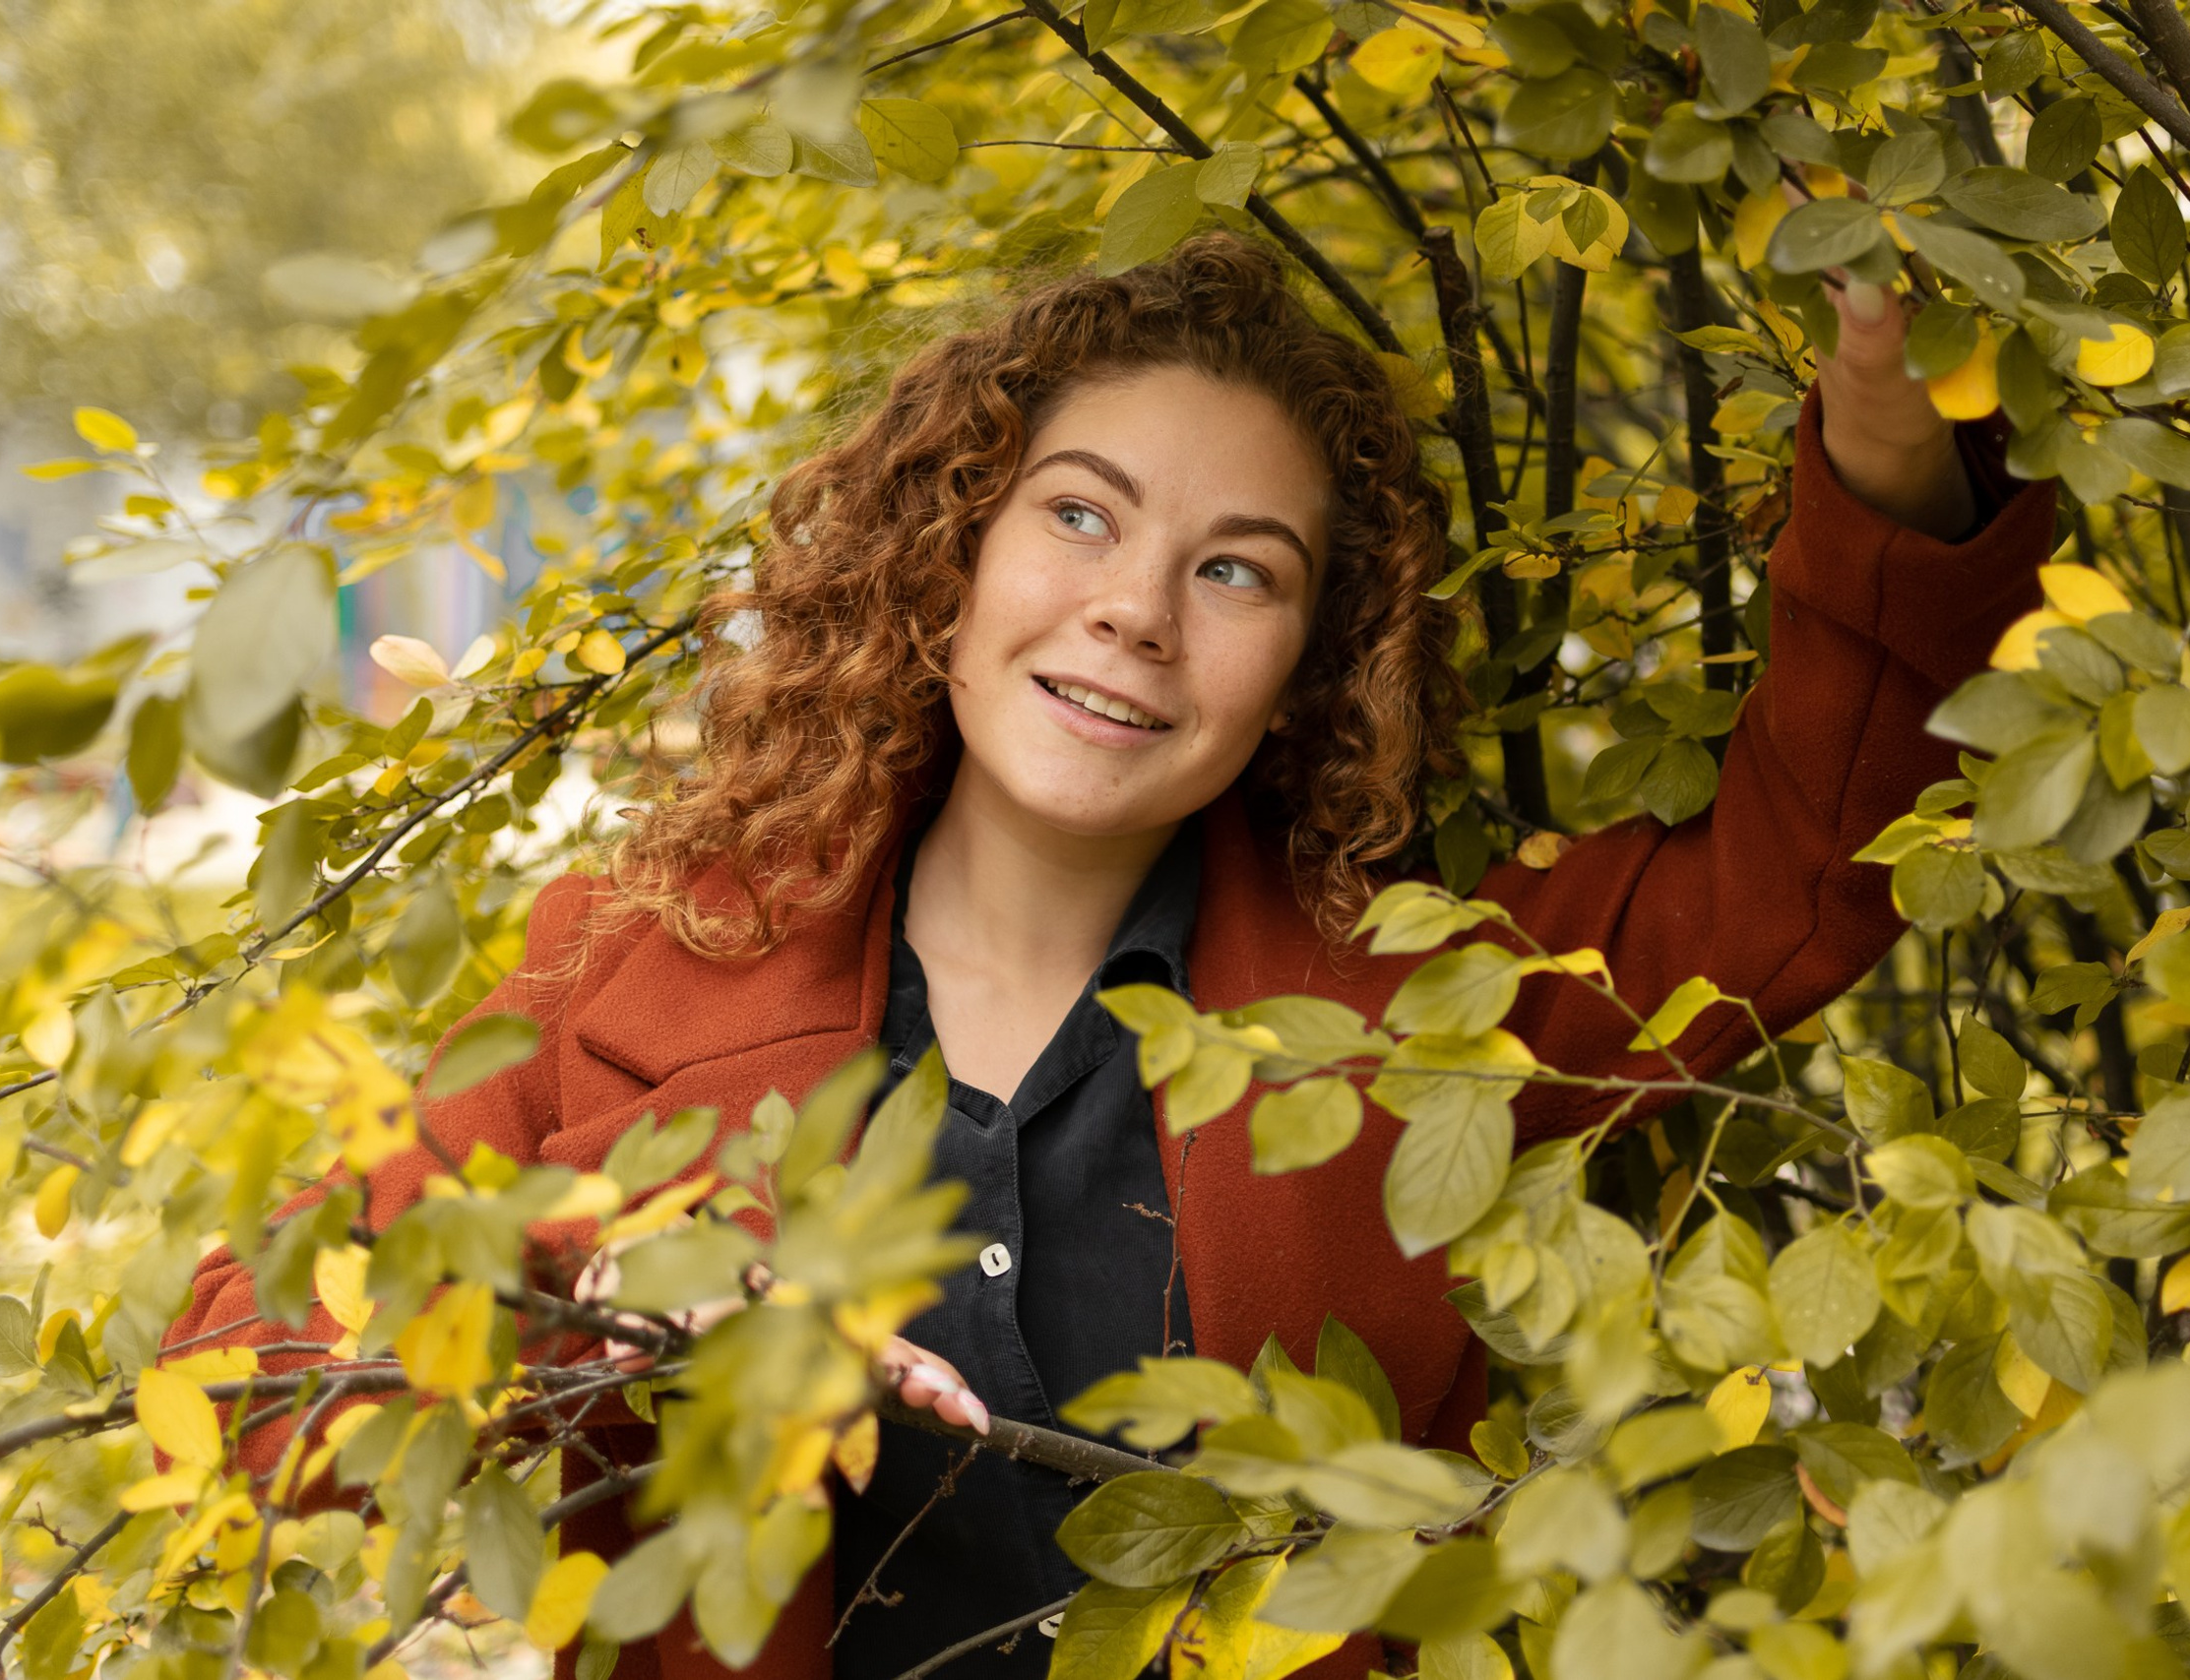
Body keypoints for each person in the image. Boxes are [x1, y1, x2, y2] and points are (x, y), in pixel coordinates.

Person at [166, 233, 2050, 1680]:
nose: (1136, 613)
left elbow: (1807, 877)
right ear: (952, 556)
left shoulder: (1415, 1018)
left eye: (1238, 569)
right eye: (1081, 516)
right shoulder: (637, 968)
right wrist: (630, 1297)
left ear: (1312, 662)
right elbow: (247, 1375)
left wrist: (1892, 457)